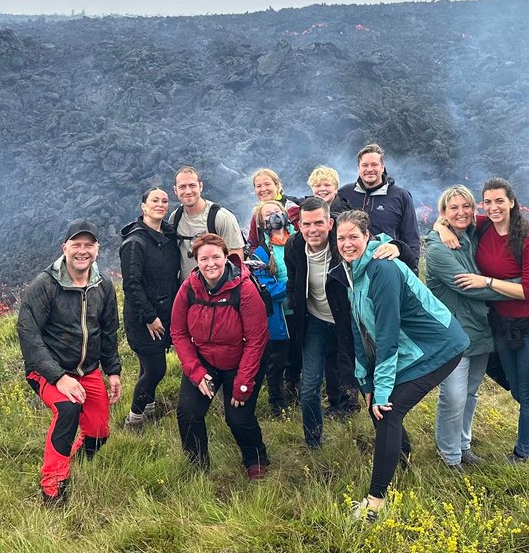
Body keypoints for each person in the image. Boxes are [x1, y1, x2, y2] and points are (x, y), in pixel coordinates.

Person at [435, 178, 529, 464]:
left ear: (512, 201)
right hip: (503, 323)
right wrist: (440, 229)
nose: (493, 207)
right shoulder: (484, 225)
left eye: (499, 201)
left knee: (527, 393)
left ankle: (520, 455)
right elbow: (453, 217)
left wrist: (487, 281)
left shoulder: (527, 239)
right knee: (517, 389)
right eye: (487, 202)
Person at [338, 210, 467, 522]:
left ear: (367, 236)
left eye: (353, 236)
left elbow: (386, 335)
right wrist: (367, 386)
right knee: (379, 408)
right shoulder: (353, 271)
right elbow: (359, 331)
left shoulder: (381, 269)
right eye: (341, 238)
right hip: (412, 351)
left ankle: (375, 503)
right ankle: (402, 460)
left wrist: (382, 392)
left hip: (438, 346)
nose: (347, 243)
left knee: (388, 411)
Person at [17, 219, 123, 505]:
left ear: (97, 249)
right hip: (47, 370)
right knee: (68, 409)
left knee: (99, 432)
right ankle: (53, 484)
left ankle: (74, 460)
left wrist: (112, 371)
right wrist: (58, 376)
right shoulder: (45, 285)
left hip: (87, 371)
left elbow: (108, 330)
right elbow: (28, 334)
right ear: (65, 247)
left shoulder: (103, 285)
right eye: (76, 244)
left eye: (89, 245)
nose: (82, 251)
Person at [283, 197, 404, 446]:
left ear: (330, 223)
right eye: (306, 224)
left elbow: (373, 241)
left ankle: (393, 443)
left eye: (319, 222)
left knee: (366, 381)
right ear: (299, 225)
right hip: (315, 321)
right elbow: (294, 284)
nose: (312, 229)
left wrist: (396, 245)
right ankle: (314, 445)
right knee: (309, 387)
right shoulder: (294, 247)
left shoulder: (343, 240)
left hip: (348, 321)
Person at [170, 233, 270, 478]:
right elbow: (178, 331)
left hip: (240, 359)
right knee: (188, 411)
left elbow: (257, 340)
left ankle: (255, 458)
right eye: (204, 258)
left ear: (227, 257)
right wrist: (195, 370)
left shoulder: (244, 289)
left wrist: (243, 383)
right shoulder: (189, 288)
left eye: (216, 256)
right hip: (204, 359)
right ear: (197, 261)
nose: (210, 263)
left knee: (238, 417)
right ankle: (197, 465)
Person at [422, 186, 500, 470]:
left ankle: (463, 445)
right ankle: (450, 456)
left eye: (465, 206)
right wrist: (518, 288)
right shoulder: (438, 248)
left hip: (479, 327)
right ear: (443, 213)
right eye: (453, 208)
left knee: (470, 392)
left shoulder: (472, 236)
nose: (461, 212)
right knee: (453, 395)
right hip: (453, 333)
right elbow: (470, 287)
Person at [119, 188, 180, 429]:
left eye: (164, 201)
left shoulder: (168, 237)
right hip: (144, 318)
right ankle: (133, 419)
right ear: (143, 206)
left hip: (163, 312)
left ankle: (150, 408)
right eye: (154, 200)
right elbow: (131, 284)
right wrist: (150, 316)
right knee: (156, 369)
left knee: (148, 365)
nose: (160, 204)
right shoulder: (135, 243)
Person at [335, 144, 421, 271]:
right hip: (350, 269)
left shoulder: (401, 196)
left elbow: (411, 238)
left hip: (386, 268)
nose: (369, 169)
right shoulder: (345, 193)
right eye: (365, 165)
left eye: (374, 165)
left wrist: (413, 271)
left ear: (382, 167)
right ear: (358, 168)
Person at [248, 200, 296, 415]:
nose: (274, 216)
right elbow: (265, 289)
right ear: (261, 222)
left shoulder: (300, 241)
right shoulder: (260, 254)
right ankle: (277, 402)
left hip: (302, 311)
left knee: (299, 357)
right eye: (268, 214)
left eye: (277, 211)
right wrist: (296, 285)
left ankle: (295, 393)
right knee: (277, 361)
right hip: (279, 316)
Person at [170, 166, 245, 276]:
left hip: (216, 291)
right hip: (187, 290)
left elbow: (236, 260)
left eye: (192, 185)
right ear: (175, 190)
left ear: (200, 186)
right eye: (182, 187)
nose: (188, 191)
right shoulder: (175, 218)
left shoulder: (221, 217)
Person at [245, 168, 302, 251]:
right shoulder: (257, 215)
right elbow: (253, 244)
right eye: (258, 186)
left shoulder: (291, 208)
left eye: (267, 184)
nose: (263, 189)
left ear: (277, 185)